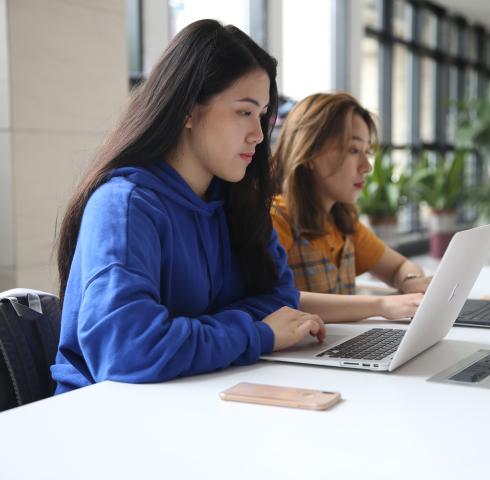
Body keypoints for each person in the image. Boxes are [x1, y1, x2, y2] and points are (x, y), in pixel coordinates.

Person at [51, 20, 325, 394]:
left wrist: (190, 336)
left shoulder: (238, 201)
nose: (259, 136)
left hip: (201, 398)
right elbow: (127, 349)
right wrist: (255, 334)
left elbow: (281, 298)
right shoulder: (125, 206)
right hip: (106, 420)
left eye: (262, 116)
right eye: (244, 112)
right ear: (189, 110)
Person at [271, 92, 432, 323]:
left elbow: (400, 266)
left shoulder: (342, 222)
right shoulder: (275, 219)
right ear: (309, 154)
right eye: (353, 150)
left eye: (366, 152)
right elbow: (274, 300)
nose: (366, 166)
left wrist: (410, 280)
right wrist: (381, 304)